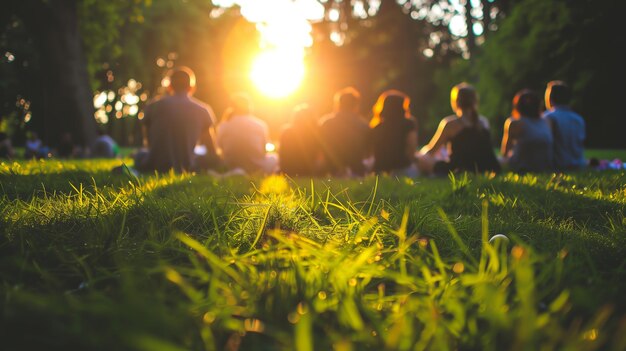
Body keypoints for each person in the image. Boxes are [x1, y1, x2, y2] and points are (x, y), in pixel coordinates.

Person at [135, 66, 218, 173]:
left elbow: (148, 142)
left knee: (140, 154)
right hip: (187, 165)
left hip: (154, 164)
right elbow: (211, 148)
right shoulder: (203, 110)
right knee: (207, 157)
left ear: (169, 86)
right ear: (191, 87)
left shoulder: (152, 106)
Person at [417, 82, 500, 176]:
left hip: (459, 170)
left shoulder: (450, 123)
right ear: (475, 101)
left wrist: (419, 155)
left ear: (455, 102)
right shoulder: (484, 122)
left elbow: (432, 150)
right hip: (489, 168)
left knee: (421, 160)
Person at [216, 93, 276, 174]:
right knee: (274, 157)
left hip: (230, 165)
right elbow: (264, 150)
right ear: (249, 107)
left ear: (232, 108)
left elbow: (219, 147)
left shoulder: (223, 125)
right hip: (256, 166)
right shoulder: (260, 125)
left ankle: (236, 172)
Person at [319, 86, 370, 177]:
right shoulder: (363, 125)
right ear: (356, 104)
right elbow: (368, 151)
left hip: (330, 171)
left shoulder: (326, 123)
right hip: (357, 170)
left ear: (338, 104)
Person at [500, 89, 554, 173]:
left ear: (517, 105)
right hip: (545, 167)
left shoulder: (514, 122)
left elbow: (505, 152)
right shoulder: (547, 121)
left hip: (521, 167)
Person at [368, 90, 419, 177]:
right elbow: (412, 147)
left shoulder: (376, 127)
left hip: (379, 170)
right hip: (402, 168)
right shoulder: (409, 123)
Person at [543, 80, 586, 171]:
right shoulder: (578, 119)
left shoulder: (548, 117)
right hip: (579, 165)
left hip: (558, 166)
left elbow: (545, 145)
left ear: (550, 98)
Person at [278, 103, 322, 176]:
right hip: (310, 171)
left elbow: (282, 155)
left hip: (288, 170)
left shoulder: (286, 131)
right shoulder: (318, 132)